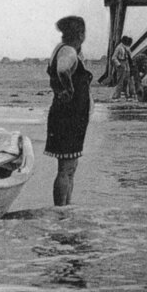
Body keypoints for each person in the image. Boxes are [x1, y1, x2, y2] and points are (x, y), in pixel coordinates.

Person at [45, 16, 93, 206]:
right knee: (66, 169)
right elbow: (63, 69)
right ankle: (60, 210)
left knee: (70, 167)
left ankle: (66, 208)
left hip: (69, 116)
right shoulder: (68, 51)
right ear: (80, 34)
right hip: (68, 117)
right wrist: (70, 89)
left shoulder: (62, 49)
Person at [111, 36, 132, 100]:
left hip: (126, 64)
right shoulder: (119, 47)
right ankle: (116, 96)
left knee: (126, 81)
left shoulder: (127, 47)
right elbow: (113, 57)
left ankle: (127, 96)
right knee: (120, 81)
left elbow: (129, 56)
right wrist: (119, 65)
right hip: (121, 63)